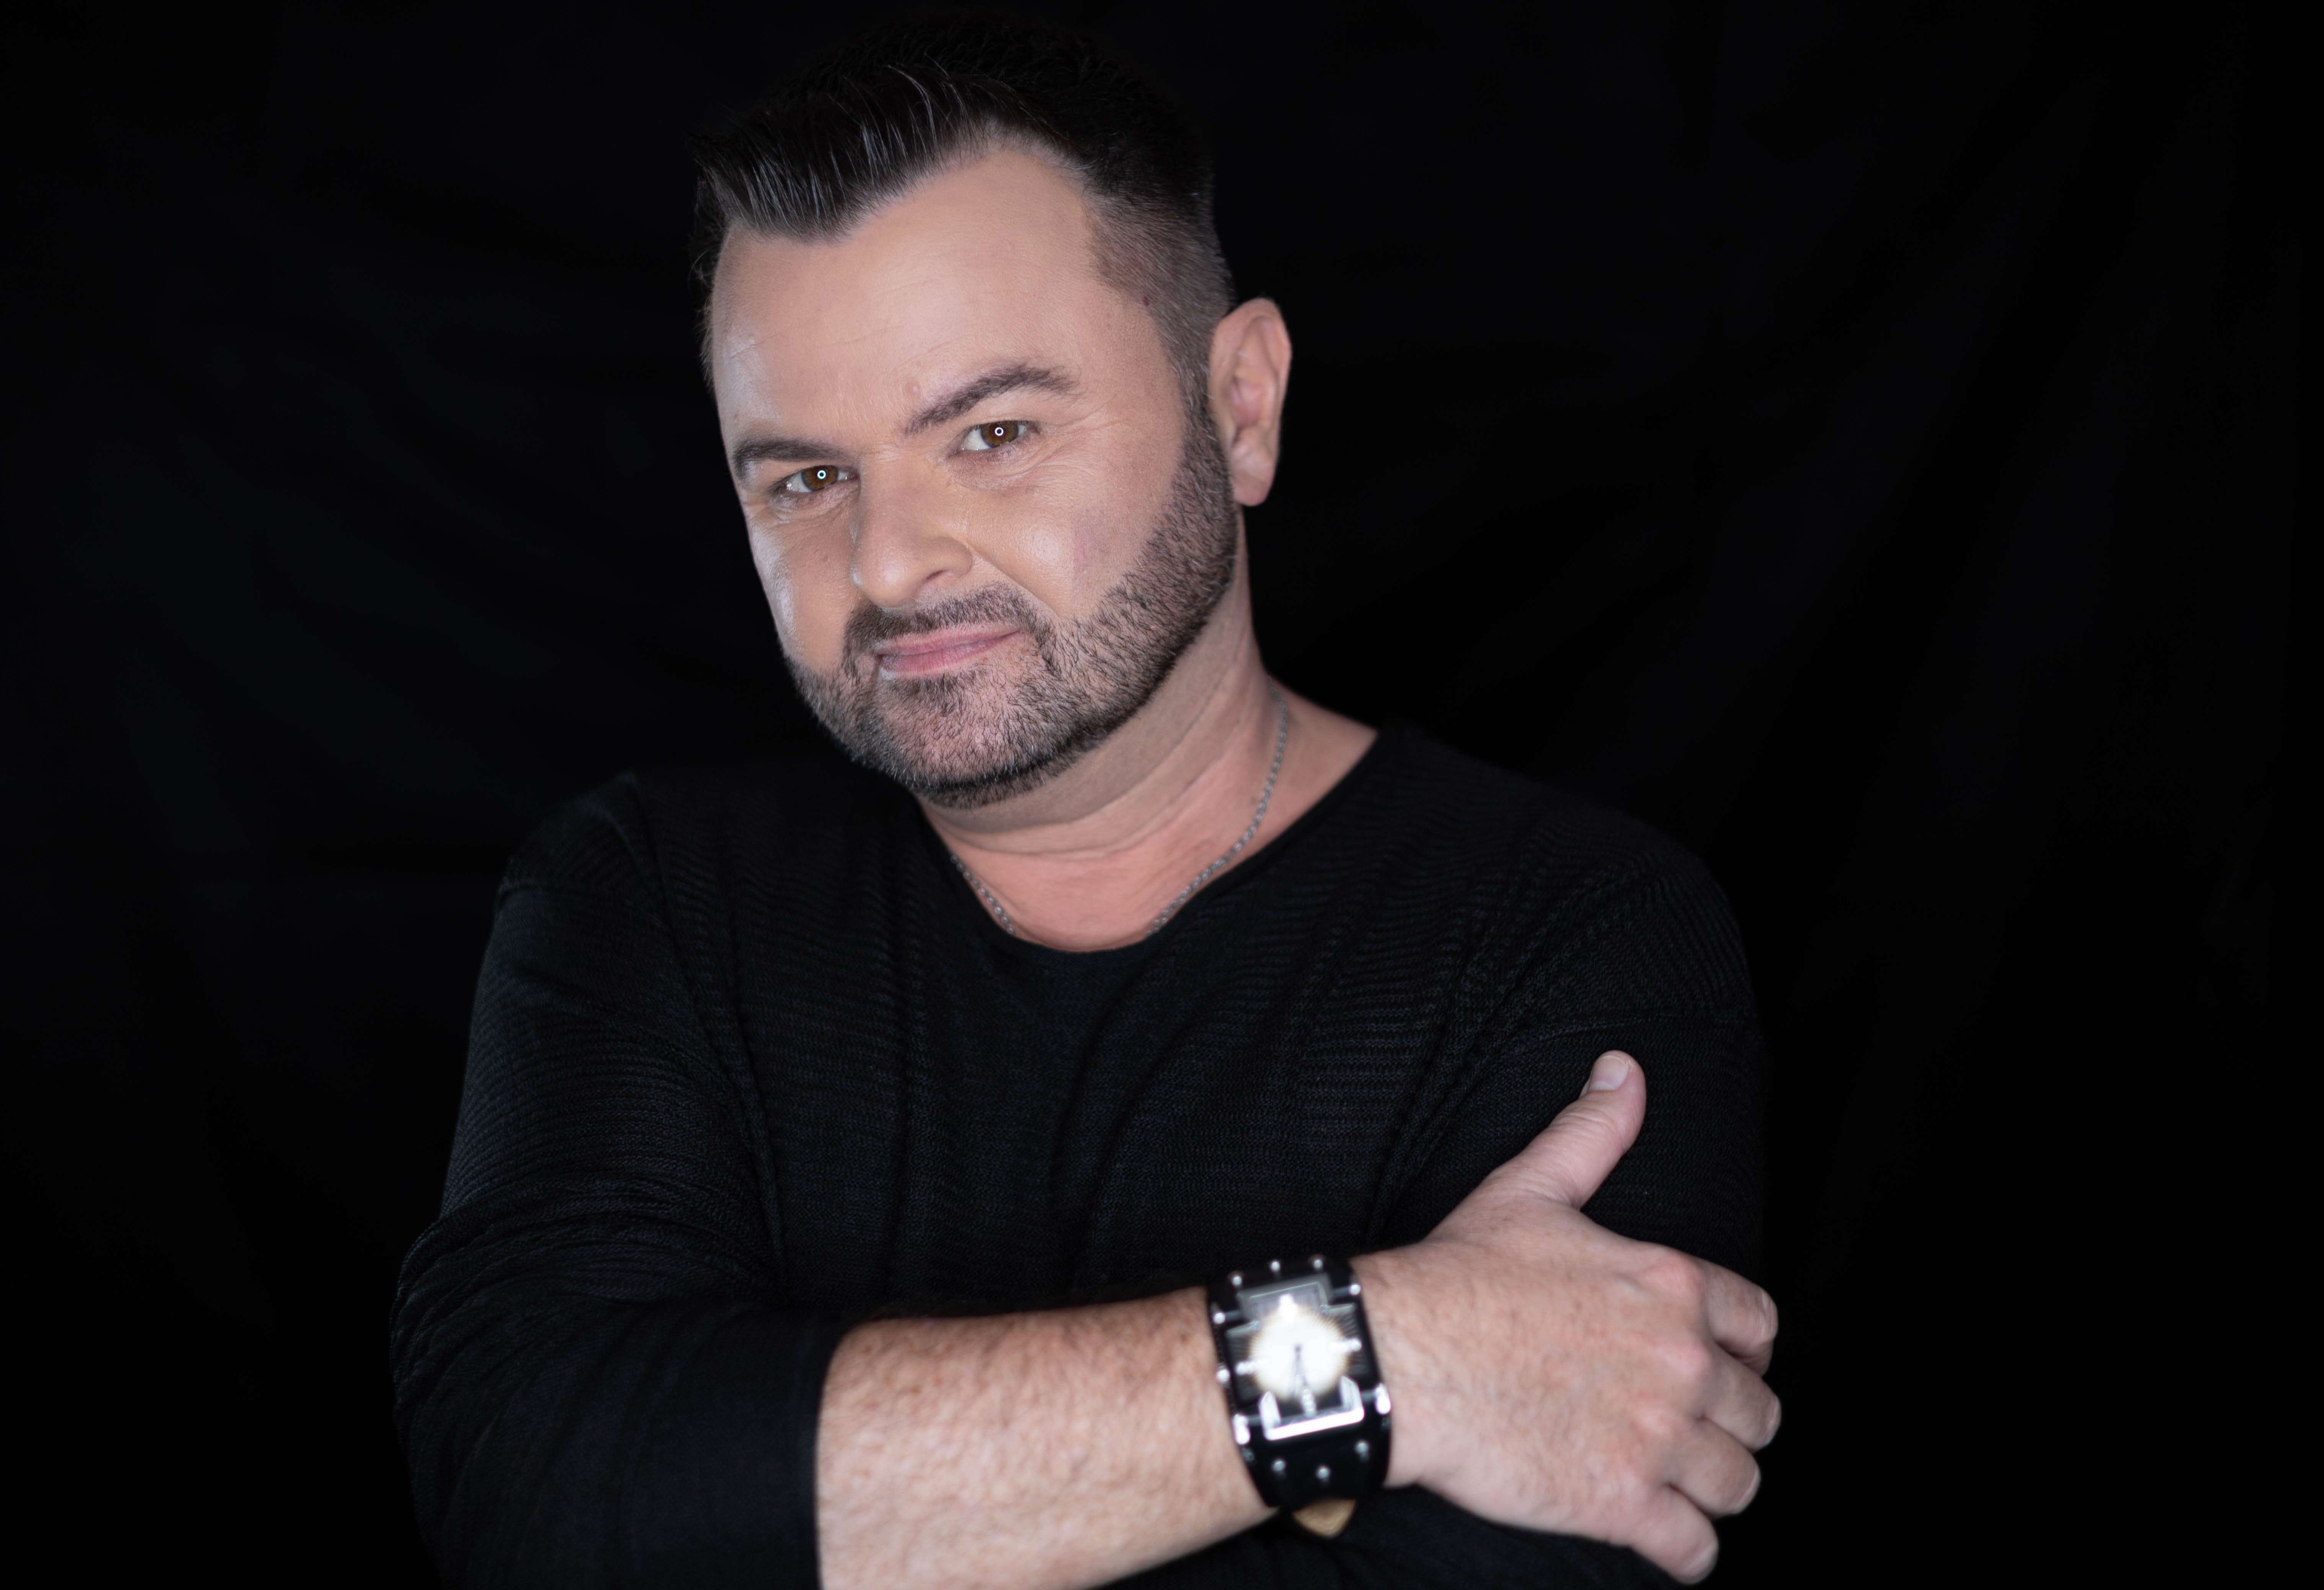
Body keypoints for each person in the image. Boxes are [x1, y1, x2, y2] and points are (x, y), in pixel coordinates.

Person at [392, 16, 1779, 1588]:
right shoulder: (646, 896)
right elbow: (546, 1491)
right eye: (806, 478)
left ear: (1241, 405)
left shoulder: (1568, 931)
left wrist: (783, 1490)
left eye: (993, 435)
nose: (889, 560)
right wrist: (1392, 1351)